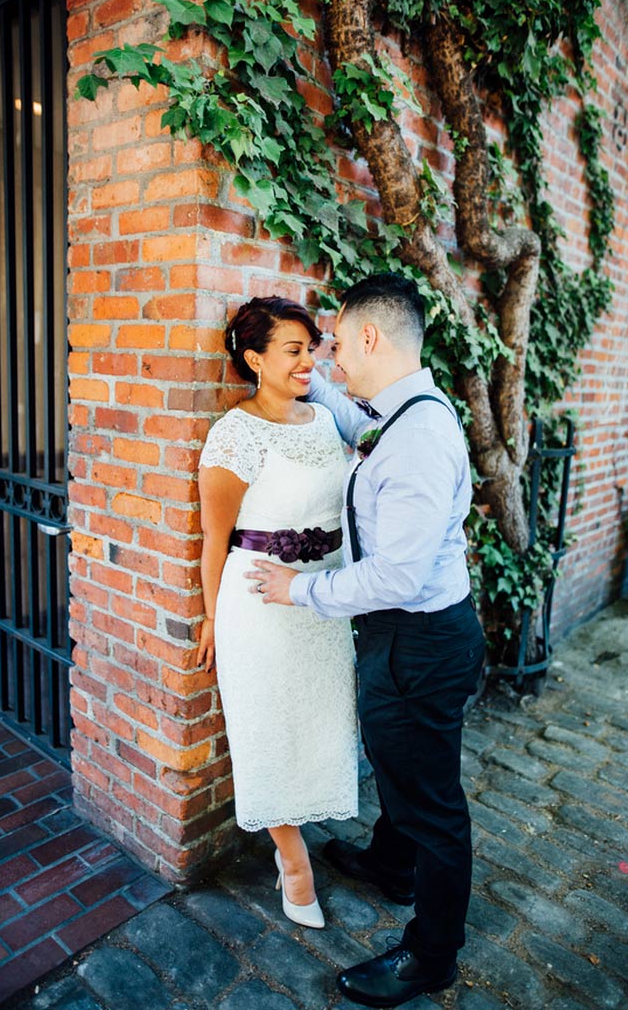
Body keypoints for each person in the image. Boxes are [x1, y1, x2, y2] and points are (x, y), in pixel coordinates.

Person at [247, 273, 485, 1006]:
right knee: (401, 767)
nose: (330, 353)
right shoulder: (404, 411)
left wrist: (302, 591)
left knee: (431, 800)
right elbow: (364, 434)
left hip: (416, 636)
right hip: (412, 636)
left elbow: (398, 578)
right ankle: (392, 862)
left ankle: (432, 953)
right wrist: (314, 394)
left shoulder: (419, 437)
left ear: (372, 337)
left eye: (338, 341)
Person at [196, 296, 359, 930]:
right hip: (258, 604)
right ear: (254, 358)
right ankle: (294, 866)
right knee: (267, 728)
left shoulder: (324, 420)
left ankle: (311, 820)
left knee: (319, 717)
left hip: (322, 598)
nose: (308, 363)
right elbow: (216, 540)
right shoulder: (234, 434)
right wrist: (213, 619)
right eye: (293, 352)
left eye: (311, 349)